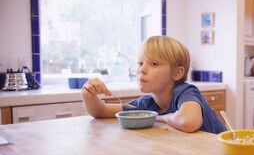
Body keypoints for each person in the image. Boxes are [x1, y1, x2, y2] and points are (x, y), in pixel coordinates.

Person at [82, 36, 226, 134]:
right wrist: (88, 94)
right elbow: (100, 111)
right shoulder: (147, 104)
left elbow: (188, 122)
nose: (142, 69)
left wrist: (160, 117)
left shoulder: (186, 92)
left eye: (154, 64)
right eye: (140, 63)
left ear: (177, 73)